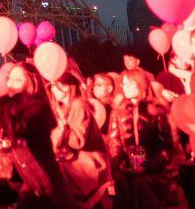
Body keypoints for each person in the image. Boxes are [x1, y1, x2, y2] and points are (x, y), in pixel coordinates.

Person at [0, 63, 69, 209]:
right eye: (10, 79)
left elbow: (16, 125)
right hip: (21, 175)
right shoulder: (13, 104)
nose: (10, 83)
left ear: (32, 83)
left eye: (17, 80)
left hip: (40, 181)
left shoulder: (39, 108)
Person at [108, 68, 175, 209]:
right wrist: (119, 164)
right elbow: (115, 142)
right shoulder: (119, 111)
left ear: (141, 84)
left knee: (141, 184)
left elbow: (166, 147)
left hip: (154, 170)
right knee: (123, 184)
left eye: (129, 84)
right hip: (128, 168)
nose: (125, 88)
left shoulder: (156, 110)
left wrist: (148, 165)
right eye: (124, 84)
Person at [50, 72, 112, 209]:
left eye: (56, 86)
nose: (52, 89)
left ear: (67, 87)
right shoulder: (62, 108)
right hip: (75, 162)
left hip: (90, 164)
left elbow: (78, 141)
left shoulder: (79, 106)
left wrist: (64, 126)